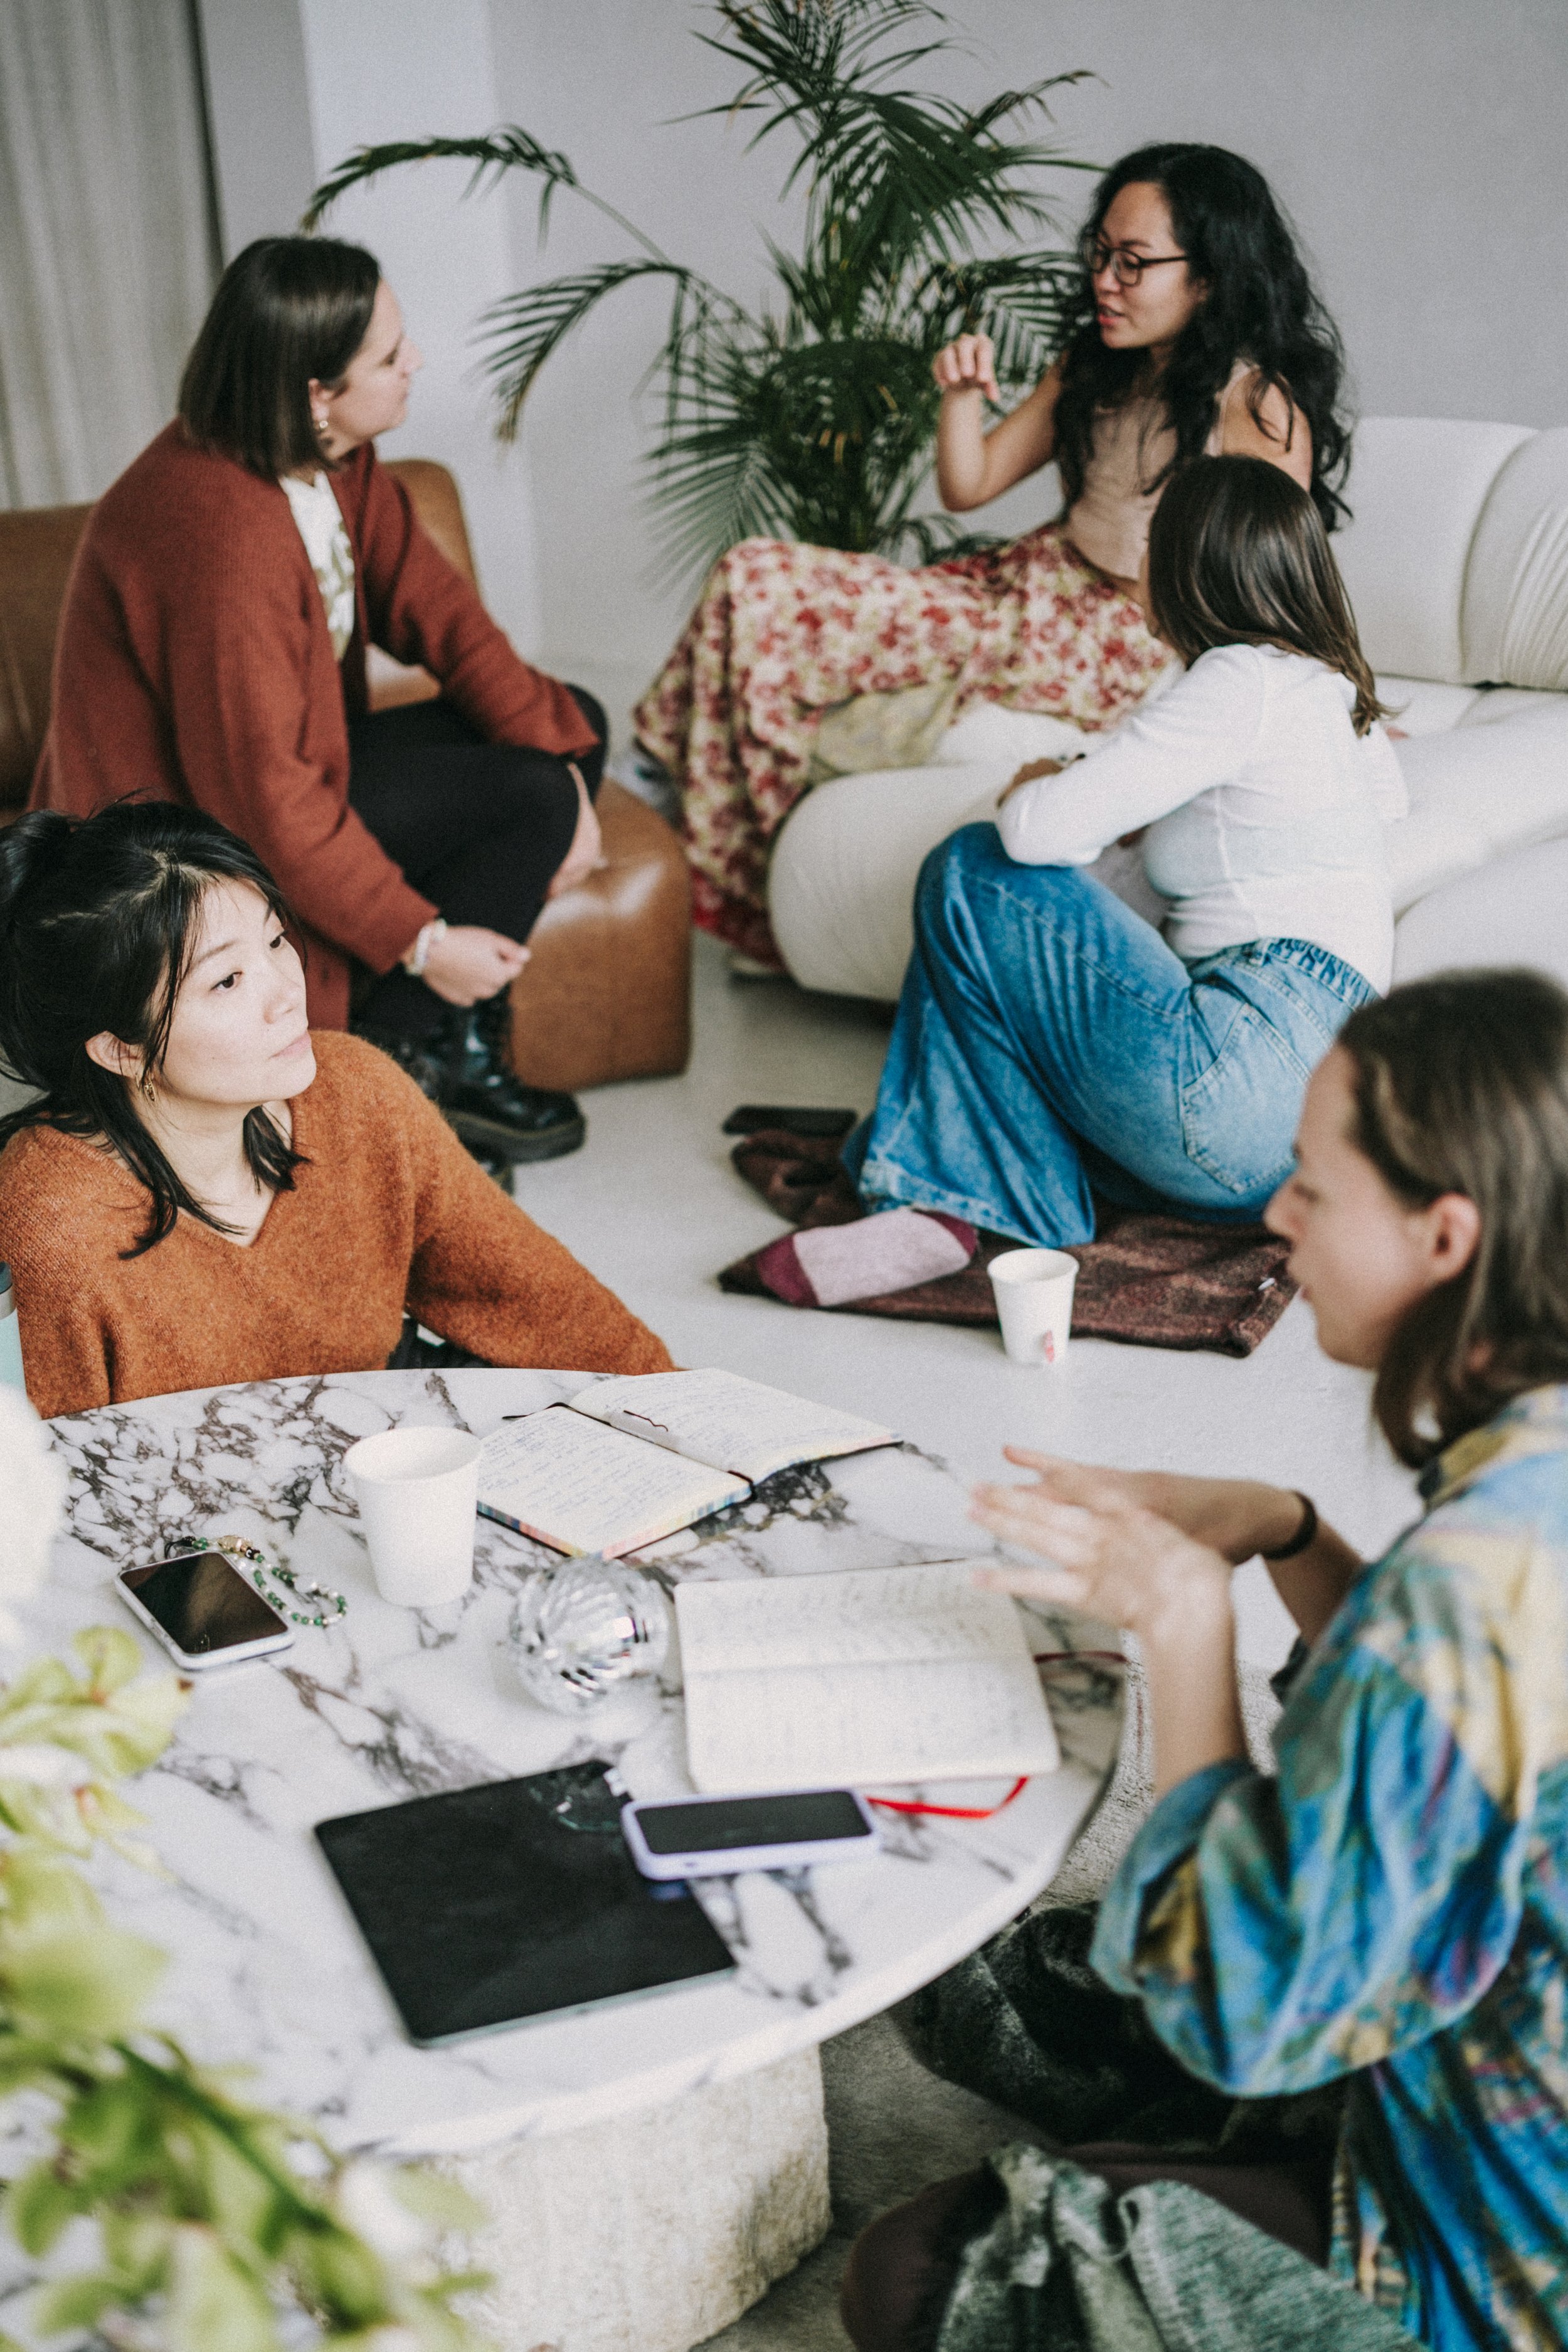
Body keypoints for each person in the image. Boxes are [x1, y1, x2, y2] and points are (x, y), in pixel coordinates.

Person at [841, 966, 1568, 2352]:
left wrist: (1186, 1638)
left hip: (1497, 2271)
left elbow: (1253, 2019)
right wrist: (1285, 1531)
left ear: (1442, 1234)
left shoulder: (1456, 1598)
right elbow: (1449, 1743)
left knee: (920, 2273)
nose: (1273, 1215)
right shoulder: (1515, 1493)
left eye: (1310, 1181)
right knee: (1084, 1984)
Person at [635, 142, 1350, 969]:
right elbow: (969, 485)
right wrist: (961, 399)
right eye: (1100, 255)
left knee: (790, 640)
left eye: (1134, 263)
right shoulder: (1094, 362)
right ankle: (657, 775)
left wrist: (1337, 702)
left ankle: (664, 791)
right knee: (754, 573)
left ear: (1212, 276)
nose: (1105, 282)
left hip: (1111, 636)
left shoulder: (1256, 406)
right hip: (1022, 585)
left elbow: (1278, 580)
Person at [33, 235, 603, 1165]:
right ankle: (386, 1068)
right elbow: (262, 808)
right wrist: (426, 944)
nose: (414, 360)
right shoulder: (217, 529)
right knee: (529, 791)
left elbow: (449, 624)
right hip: (175, 839)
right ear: (315, 391)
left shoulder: (333, 457)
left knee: (568, 724)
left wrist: (579, 779)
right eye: (389, 354)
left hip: (285, 773)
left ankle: (435, 1054)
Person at [813, 453, 1406, 1290]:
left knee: (970, 866)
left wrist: (1039, 779)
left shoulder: (1237, 679)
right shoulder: (1340, 705)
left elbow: (1031, 835)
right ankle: (958, 1192)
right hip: (1304, 1149)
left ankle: (953, 1203)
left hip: (1236, 1078)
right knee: (994, 1052)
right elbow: (1120, 900)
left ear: (1187, 565)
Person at [0, 804, 672, 1421]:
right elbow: (69, 1498)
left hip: (384, 1434)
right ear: (122, 1048)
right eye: (227, 981)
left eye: (273, 942)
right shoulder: (55, 1216)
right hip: (207, 1529)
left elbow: (538, 1297)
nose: (286, 994)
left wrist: (690, 1420)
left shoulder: (354, 1088)